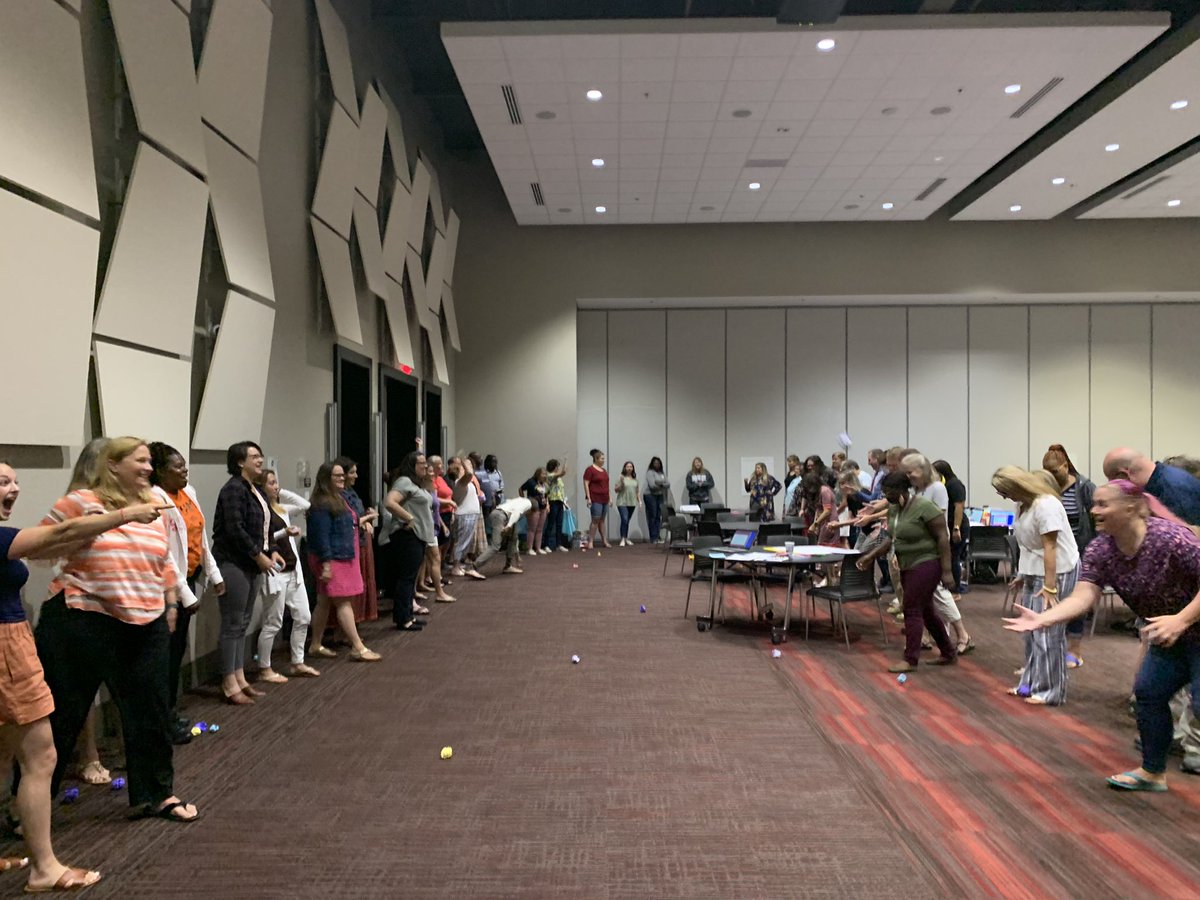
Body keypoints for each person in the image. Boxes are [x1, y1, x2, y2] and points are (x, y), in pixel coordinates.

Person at [2, 461, 165, 889]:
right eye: (4, 482)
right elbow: (57, 535)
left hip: (11, 641)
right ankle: (44, 869)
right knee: (41, 756)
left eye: (16, 480)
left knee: (4, 755)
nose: (15, 488)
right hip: (5, 648)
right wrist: (127, 514)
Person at [35, 438, 199, 824]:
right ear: (113, 466)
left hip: (146, 622)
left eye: (148, 462)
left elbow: (165, 562)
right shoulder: (81, 501)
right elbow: (40, 547)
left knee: (152, 712)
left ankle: (157, 794)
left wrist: (171, 602)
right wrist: (107, 521)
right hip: (83, 619)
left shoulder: (154, 506)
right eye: (139, 461)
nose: (147, 467)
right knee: (62, 716)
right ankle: (29, 805)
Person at [1005, 480, 1200, 790]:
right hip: (1172, 635)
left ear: (1133, 508)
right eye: (1094, 503)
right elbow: (1084, 596)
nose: (1094, 511)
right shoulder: (1102, 548)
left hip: (1187, 625)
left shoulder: (1169, 539)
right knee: (1148, 695)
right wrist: (1045, 618)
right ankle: (1152, 773)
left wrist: (1180, 620)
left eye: (1103, 504)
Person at [147, 442, 224, 745]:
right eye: (176, 467)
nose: (184, 470)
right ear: (159, 472)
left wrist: (213, 574)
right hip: (167, 589)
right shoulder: (155, 499)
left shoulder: (188, 494)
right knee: (165, 657)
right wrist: (185, 595)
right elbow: (164, 552)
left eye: (184, 465)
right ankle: (162, 721)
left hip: (191, 577)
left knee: (176, 653)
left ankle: (169, 712)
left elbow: (200, 537)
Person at [993, 466, 1079, 706]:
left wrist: (1051, 587)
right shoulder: (1023, 505)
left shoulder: (1047, 505)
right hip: (1035, 572)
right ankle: (1030, 683)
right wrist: (1023, 573)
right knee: (1031, 633)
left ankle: (1052, 692)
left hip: (1057, 571)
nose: (1002, 496)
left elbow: (1050, 548)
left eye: (1004, 491)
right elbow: (1027, 545)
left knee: (1048, 634)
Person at [855, 471, 957, 673]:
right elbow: (889, 538)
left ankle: (910, 659)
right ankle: (948, 651)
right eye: (884, 492)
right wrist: (869, 556)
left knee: (910, 608)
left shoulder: (925, 507)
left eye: (890, 491)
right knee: (926, 611)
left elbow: (942, 538)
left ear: (903, 489)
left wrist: (947, 571)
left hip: (927, 563)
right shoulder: (894, 509)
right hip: (906, 564)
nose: (887, 496)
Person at [212, 441, 280, 703]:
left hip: (251, 563)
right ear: (240, 462)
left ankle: (240, 677)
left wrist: (271, 550)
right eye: (254, 457)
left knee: (243, 622)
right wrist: (257, 555)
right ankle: (229, 682)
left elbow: (265, 526)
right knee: (232, 624)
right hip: (233, 562)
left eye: (261, 456)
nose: (260, 460)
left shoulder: (257, 490)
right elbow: (234, 528)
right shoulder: (232, 490)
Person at [305, 462, 380, 662]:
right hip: (333, 559)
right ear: (326, 479)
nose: (341, 478)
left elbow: (349, 523)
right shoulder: (321, 503)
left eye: (341, 475)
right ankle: (358, 647)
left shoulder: (339, 498)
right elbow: (321, 536)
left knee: (324, 602)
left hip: (344, 555)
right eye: (336, 476)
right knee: (343, 602)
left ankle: (315, 644)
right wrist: (327, 563)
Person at [903, 453, 974, 655]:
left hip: (932, 549)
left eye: (910, 472)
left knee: (940, 593)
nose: (908, 476)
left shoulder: (938, 488)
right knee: (927, 598)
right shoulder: (919, 490)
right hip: (920, 550)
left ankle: (962, 635)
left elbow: (938, 522)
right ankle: (936, 637)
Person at [254, 470, 319, 682]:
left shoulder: (281, 510)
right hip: (275, 572)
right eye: (271, 483)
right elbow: (262, 539)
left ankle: (297, 662)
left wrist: (281, 491)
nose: (275, 486)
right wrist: (284, 533)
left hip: (293, 570)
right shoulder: (259, 511)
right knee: (273, 622)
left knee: (304, 616)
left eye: (276, 483)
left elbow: (305, 505)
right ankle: (264, 667)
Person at [1042, 445, 1096, 667]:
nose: (1053, 476)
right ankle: (1052, 650)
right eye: (1049, 473)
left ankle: (1074, 651)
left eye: (1056, 472)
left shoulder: (1085, 487)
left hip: (1080, 551)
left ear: (1066, 466)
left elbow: (1097, 520)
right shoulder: (1046, 488)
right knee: (1055, 601)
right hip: (1058, 553)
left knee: (1075, 601)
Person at [382, 452, 433, 632]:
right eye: (421, 464)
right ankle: (403, 619)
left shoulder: (415, 484)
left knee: (410, 579)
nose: (425, 467)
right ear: (412, 465)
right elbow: (389, 502)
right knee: (406, 578)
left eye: (425, 463)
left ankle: (408, 615)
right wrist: (408, 518)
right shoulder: (404, 481)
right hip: (407, 537)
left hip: (418, 537)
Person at [334, 457, 378, 624]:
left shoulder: (351, 492)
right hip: (349, 546)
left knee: (359, 586)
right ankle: (344, 629)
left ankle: (352, 624)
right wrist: (366, 520)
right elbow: (348, 521)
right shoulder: (338, 497)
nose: (356, 476)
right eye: (352, 472)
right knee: (347, 592)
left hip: (360, 542)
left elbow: (356, 513)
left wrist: (366, 514)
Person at [932, 460, 968, 596]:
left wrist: (956, 528)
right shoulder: (945, 484)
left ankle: (955, 590)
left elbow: (959, 506)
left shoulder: (954, 485)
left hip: (957, 526)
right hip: (951, 525)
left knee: (953, 557)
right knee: (950, 556)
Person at [447, 457, 486, 578]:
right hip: (465, 515)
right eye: (462, 468)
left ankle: (457, 564)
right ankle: (455, 566)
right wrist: (465, 461)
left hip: (470, 515)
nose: (465, 469)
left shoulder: (465, 483)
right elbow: (470, 473)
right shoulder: (460, 482)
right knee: (461, 542)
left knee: (465, 542)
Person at [477, 497, 532, 573]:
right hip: (500, 515)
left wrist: (517, 556)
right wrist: (508, 526)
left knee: (513, 537)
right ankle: (473, 567)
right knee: (495, 546)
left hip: (499, 513)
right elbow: (516, 513)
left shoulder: (518, 501)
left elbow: (515, 539)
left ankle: (508, 566)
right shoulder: (528, 504)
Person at [582, 449, 611, 550]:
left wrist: (610, 498)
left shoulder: (604, 471)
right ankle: (590, 541)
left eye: (604, 458)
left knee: (602, 520)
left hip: (605, 498)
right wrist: (588, 498)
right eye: (602, 458)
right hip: (595, 498)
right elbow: (586, 483)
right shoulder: (590, 470)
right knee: (595, 520)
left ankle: (604, 541)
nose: (603, 460)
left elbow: (607, 486)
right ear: (596, 459)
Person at [520, 467, 550, 555]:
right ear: (538, 474)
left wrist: (548, 504)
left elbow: (547, 495)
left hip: (543, 507)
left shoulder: (545, 484)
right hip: (534, 508)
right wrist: (524, 501)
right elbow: (521, 489)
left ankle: (538, 548)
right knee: (532, 528)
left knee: (540, 529)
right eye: (542, 474)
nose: (544, 476)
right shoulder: (531, 482)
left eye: (545, 474)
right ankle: (529, 548)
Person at [544, 458, 570, 552]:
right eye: (557, 466)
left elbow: (560, 490)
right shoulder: (550, 476)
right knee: (551, 523)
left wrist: (564, 501)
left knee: (559, 523)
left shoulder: (558, 478)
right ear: (555, 468)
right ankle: (546, 544)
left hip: (560, 501)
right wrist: (566, 462)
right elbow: (563, 472)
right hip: (553, 501)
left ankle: (559, 544)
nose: (558, 468)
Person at [613, 462, 640, 546]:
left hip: (632, 502)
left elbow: (637, 491)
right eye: (627, 466)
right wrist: (622, 484)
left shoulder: (635, 480)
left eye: (631, 466)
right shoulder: (621, 478)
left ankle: (626, 537)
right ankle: (622, 538)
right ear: (624, 468)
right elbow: (616, 490)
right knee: (624, 519)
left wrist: (640, 501)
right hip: (622, 502)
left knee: (627, 520)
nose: (629, 468)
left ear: (633, 468)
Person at [643, 457, 668, 544]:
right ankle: (653, 537)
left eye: (658, 463)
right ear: (652, 464)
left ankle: (657, 536)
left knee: (658, 516)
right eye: (655, 463)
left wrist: (659, 483)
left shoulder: (662, 473)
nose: (657, 464)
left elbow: (668, 484)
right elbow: (652, 485)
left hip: (659, 496)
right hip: (650, 496)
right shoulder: (650, 472)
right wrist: (662, 484)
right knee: (652, 516)